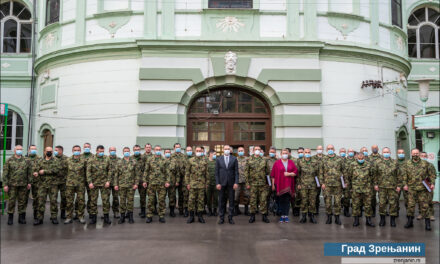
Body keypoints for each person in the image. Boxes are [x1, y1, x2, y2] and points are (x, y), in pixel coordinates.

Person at [403, 149, 436, 231]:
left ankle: (427, 224)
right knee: (410, 206)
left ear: (419, 154)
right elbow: (404, 175)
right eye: (414, 153)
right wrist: (405, 184)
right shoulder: (407, 164)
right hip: (411, 188)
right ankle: (410, 222)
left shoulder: (425, 163)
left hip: (422, 189)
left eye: (417, 153)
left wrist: (432, 183)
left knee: (424, 206)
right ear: (411, 154)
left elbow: (431, 175)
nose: (415, 155)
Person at [3, 145, 31, 225]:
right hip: (12, 185)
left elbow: (29, 172)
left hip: (23, 184)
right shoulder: (9, 160)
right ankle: (10, 217)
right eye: (18, 149)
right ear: (14, 150)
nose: (20, 151)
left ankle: (21, 217)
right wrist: (5, 185)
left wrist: (29, 182)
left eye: (21, 149)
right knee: (11, 201)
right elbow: (5, 173)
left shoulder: (26, 160)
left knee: (22, 201)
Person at [374, 147, 401, 227]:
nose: (386, 153)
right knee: (382, 204)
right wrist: (375, 184)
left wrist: (399, 185)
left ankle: (392, 220)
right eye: (385, 152)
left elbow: (399, 175)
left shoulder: (395, 162)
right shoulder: (378, 162)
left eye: (387, 152)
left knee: (393, 204)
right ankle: (382, 220)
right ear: (382, 153)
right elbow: (375, 175)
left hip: (392, 187)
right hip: (382, 187)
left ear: (390, 152)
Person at [33, 146, 61, 225]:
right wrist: (35, 173)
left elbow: (57, 170)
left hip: (53, 185)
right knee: (40, 202)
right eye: (48, 151)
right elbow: (35, 169)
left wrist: (45, 171)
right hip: (42, 184)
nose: (49, 152)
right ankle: (39, 218)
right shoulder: (40, 161)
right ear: (44, 152)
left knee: (53, 202)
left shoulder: (56, 160)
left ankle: (54, 217)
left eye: (51, 151)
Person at [347, 151, 375, 227]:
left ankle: (368, 220)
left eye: (362, 158)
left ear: (364, 157)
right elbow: (349, 176)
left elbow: (372, 176)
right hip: (356, 189)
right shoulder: (352, 165)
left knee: (368, 205)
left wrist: (370, 185)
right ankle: (356, 220)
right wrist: (350, 188)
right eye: (359, 158)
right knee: (356, 205)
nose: (361, 159)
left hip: (367, 189)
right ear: (356, 158)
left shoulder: (369, 165)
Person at [143, 145, 169, 223]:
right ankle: (149, 216)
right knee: (151, 200)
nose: (158, 150)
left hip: (161, 183)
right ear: (154, 150)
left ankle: (161, 215)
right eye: (156, 149)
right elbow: (146, 171)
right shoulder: (150, 159)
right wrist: (144, 181)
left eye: (159, 149)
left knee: (161, 200)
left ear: (161, 150)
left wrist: (167, 181)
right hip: (151, 183)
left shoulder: (164, 160)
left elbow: (167, 172)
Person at [320, 144, 345, 225]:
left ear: (334, 149)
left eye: (331, 148)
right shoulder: (323, 159)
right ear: (327, 150)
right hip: (327, 185)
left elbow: (344, 172)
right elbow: (321, 172)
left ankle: (337, 217)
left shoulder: (339, 159)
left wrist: (345, 182)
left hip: (338, 184)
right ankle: (329, 217)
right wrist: (322, 183)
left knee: (338, 202)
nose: (330, 149)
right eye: (329, 148)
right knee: (328, 202)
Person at [270, 148, 297, 223]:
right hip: (280, 185)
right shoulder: (277, 163)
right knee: (281, 201)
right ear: (281, 154)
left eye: (286, 153)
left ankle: (286, 215)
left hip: (289, 185)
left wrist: (289, 174)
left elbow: (295, 172)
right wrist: (273, 185)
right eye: (283, 153)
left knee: (287, 201)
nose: (284, 154)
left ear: (288, 154)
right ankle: (282, 216)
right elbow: (273, 175)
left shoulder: (291, 162)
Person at [86, 145, 111, 225]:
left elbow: (110, 170)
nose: (101, 153)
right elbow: (88, 171)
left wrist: (108, 181)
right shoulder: (91, 159)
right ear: (96, 151)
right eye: (100, 151)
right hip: (94, 183)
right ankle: (93, 217)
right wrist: (89, 182)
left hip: (104, 184)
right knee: (93, 201)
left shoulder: (107, 158)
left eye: (102, 151)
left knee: (106, 200)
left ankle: (106, 217)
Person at [245, 146, 270, 223]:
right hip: (253, 184)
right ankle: (252, 216)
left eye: (259, 150)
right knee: (253, 200)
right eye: (256, 149)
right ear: (253, 151)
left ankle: (264, 216)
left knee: (263, 200)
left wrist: (268, 183)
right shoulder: (249, 159)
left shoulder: (264, 159)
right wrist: (247, 183)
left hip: (263, 184)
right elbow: (246, 172)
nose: (257, 151)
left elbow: (267, 172)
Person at [215, 145, 239, 224]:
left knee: (231, 201)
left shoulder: (234, 159)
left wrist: (236, 182)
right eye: (225, 149)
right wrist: (217, 183)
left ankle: (230, 218)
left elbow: (236, 172)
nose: (227, 150)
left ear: (230, 150)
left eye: (228, 149)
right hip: (221, 183)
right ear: (223, 150)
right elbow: (216, 173)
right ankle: (221, 218)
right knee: (221, 201)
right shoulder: (219, 159)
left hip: (231, 184)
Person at [185, 146, 209, 224]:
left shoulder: (205, 161)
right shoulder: (190, 160)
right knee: (191, 200)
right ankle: (191, 216)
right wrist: (187, 183)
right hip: (192, 184)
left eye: (200, 151)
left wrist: (207, 183)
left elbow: (207, 174)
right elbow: (187, 173)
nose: (198, 152)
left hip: (201, 185)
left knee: (201, 201)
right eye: (197, 150)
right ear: (195, 151)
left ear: (201, 152)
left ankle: (200, 216)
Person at [64, 145, 87, 224]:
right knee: (69, 201)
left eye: (78, 150)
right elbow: (64, 171)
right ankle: (68, 217)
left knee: (81, 201)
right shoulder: (68, 160)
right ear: (72, 151)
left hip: (80, 184)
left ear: (80, 151)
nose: (76, 151)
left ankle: (80, 216)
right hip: (70, 184)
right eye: (75, 150)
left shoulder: (84, 160)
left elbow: (86, 172)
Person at [115, 147, 138, 224]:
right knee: (122, 201)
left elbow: (137, 174)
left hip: (131, 185)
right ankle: (122, 217)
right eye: (125, 151)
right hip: (122, 185)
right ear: (123, 152)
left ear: (130, 152)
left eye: (128, 151)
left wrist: (136, 184)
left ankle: (131, 217)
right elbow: (116, 175)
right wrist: (116, 184)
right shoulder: (119, 162)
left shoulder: (134, 161)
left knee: (130, 201)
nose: (126, 152)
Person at [296, 148, 319, 224]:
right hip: (303, 185)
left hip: (313, 185)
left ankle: (312, 216)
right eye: (306, 152)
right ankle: (303, 216)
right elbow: (298, 174)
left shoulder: (315, 161)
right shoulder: (300, 161)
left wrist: (318, 183)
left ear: (311, 153)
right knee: (304, 201)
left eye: (309, 152)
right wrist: (298, 183)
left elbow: (318, 173)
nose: (307, 153)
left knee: (312, 201)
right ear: (304, 153)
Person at [171, 143, 186, 216]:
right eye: (176, 147)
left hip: (182, 178)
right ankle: (172, 210)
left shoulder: (183, 156)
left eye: (179, 147)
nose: (178, 148)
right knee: (172, 194)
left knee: (181, 194)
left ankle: (181, 209)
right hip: (173, 179)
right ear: (174, 148)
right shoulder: (171, 156)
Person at [420, 151, 436, 221]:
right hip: (420, 186)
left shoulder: (430, 165)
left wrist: (432, 183)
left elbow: (433, 175)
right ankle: (421, 214)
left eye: (425, 156)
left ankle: (431, 214)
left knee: (429, 200)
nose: (423, 157)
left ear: (427, 157)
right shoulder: (417, 165)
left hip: (428, 184)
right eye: (422, 156)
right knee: (421, 201)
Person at [26, 145, 40, 220]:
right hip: (26, 182)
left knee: (36, 198)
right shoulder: (24, 159)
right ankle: (22, 215)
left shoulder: (40, 159)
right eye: (32, 149)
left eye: (35, 149)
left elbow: (42, 168)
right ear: (29, 150)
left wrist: (37, 172)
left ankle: (36, 214)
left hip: (36, 181)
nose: (33, 150)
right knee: (24, 199)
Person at [138, 143, 153, 218]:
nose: (148, 148)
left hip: (151, 180)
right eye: (147, 147)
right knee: (142, 196)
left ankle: (153, 210)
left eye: (149, 147)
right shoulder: (141, 157)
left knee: (152, 196)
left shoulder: (154, 156)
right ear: (144, 148)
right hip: (142, 179)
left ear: (151, 148)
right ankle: (143, 211)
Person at [235, 146, 250, 216]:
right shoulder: (235, 159)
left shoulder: (248, 159)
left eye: (242, 150)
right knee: (236, 196)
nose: (240, 152)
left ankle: (246, 210)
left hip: (246, 181)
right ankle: (236, 210)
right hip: (237, 181)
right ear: (237, 152)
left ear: (244, 151)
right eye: (239, 151)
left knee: (247, 195)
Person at [54, 145, 68, 220]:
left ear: (61, 151)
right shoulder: (52, 159)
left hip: (63, 182)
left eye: (56, 150)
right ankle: (54, 214)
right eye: (55, 150)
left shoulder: (66, 159)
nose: (55, 151)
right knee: (54, 198)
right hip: (54, 182)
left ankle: (63, 213)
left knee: (64, 198)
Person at [164, 148, 177, 217]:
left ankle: (172, 211)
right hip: (163, 182)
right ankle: (162, 211)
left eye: (169, 152)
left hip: (172, 182)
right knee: (162, 197)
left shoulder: (174, 161)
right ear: (164, 153)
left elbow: (177, 172)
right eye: (166, 152)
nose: (168, 153)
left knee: (172, 197)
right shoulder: (162, 161)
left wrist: (177, 181)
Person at [108, 146, 121, 219]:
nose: (112, 151)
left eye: (114, 150)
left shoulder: (119, 160)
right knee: (105, 198)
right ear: (109, 151)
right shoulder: (106, 159)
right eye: (111, 150)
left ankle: (116, 212)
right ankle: (105, 213)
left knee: (116, 198)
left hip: (116, 182)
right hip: (107, 182)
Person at [342, 148, 355, 217]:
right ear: (347, 152)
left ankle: (356, 211)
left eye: (352, 151)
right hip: (346, 181)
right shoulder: (344, 161)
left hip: (355, 182)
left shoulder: (356, 160)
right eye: (349, 151)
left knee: (355, 197)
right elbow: (341, 172)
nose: (351, 152)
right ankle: (346, 210)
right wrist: (343, 182)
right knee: (346, 197)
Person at [312, 145, 324, 215]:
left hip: (324, 180)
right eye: (318, 149)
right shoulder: (313, 158)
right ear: (316, 150)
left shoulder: (325, 158)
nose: (320, 150)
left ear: (322, 150)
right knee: (316, 195)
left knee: (326, 196)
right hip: (315, 179)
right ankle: (316, 209)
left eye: (321, 149)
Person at [206, 150, 218, 217]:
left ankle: (215, 211)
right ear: (210, 154)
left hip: (216, 182)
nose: (215, 155)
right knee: (208, 198)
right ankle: (210, 211)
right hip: (208, 183)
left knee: (216, 198)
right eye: (214, 154)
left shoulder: (217, 162)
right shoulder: (206, 162)